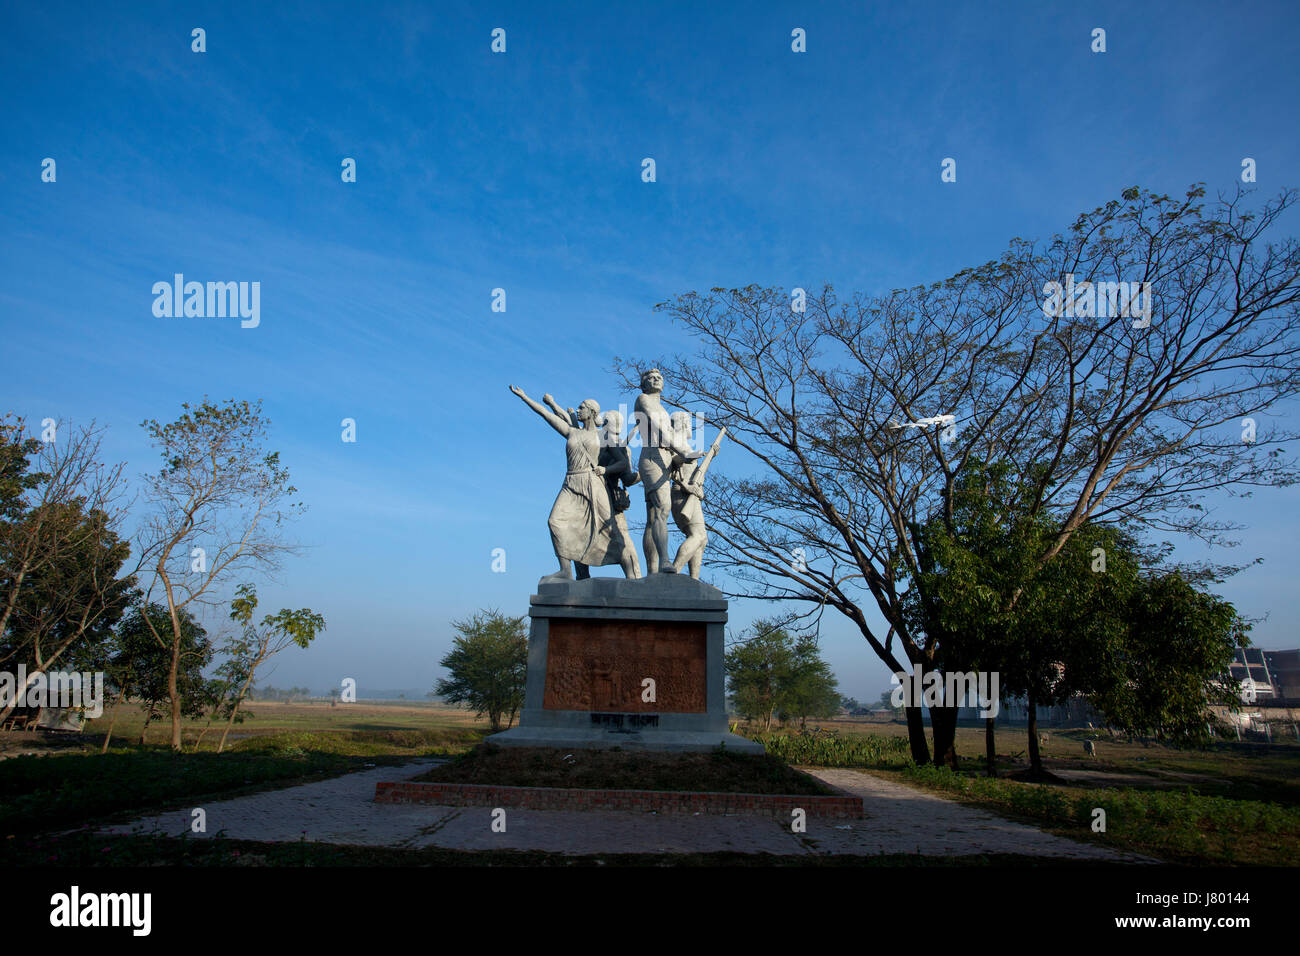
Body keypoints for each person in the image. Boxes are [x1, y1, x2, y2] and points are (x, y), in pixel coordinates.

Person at [508, 385, 633, 580]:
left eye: (582, 407)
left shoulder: (603, 437)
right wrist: (524, 396)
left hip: (593, 483)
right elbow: (545, 414)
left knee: (610, 530)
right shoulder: (572, 432)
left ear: (592, 412)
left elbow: (622, 462)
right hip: (571, 482)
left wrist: (605, 469)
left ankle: (630, 575)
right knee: (555, 522)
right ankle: (565, 570)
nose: (578, 409)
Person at [634, 369, 702, 573]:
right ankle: (664, 561)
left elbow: (673, 441)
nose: (655, 379)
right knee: (662, 508)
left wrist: (685, 457)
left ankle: (653, 571)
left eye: (659, 378)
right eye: (650, 378)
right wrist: (685, 451)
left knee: (654, 516)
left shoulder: (662, 409)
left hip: (666, 457)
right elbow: (661, 431)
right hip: (652, 456)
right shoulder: (643, 399)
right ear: (643, 384)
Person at [667, 412, 710, 578]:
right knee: (698, 535)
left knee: (701, 538)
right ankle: (673, 571)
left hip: (690, 495)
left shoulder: (684, 444)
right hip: (681, 494)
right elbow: (670, 467)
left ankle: (694, 579)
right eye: (688, 421)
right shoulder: (674, 444)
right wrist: (685, 486)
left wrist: (698, 490)